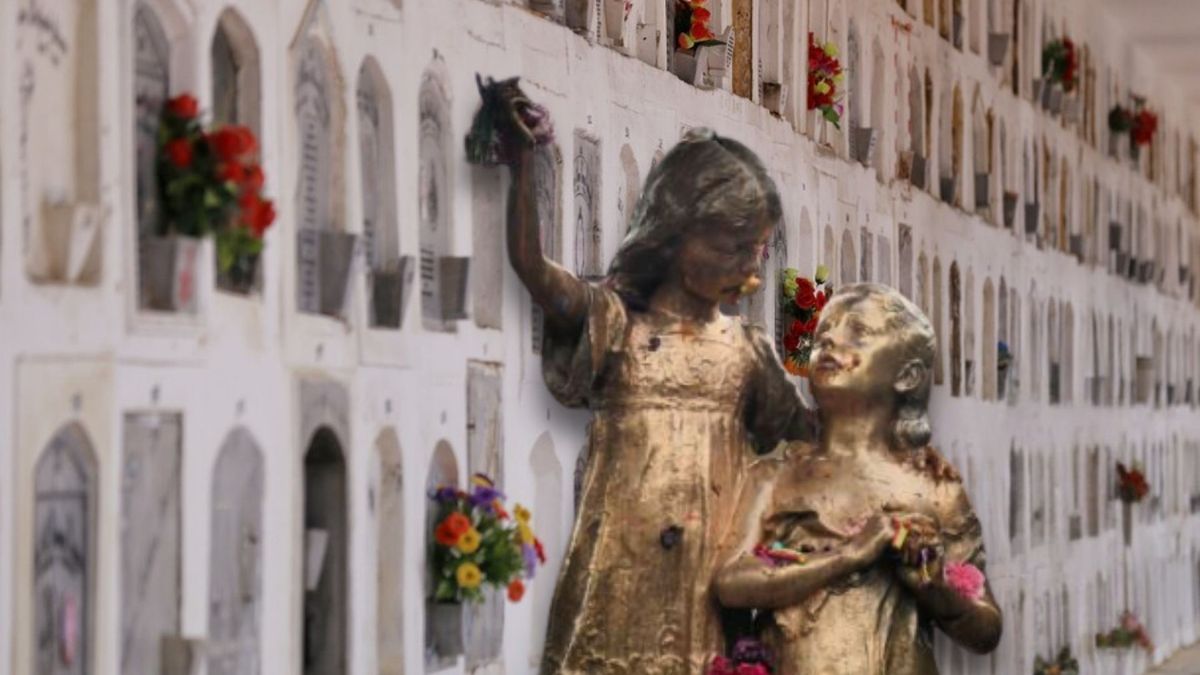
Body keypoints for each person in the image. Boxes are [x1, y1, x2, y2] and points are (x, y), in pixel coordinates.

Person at [483, 81, 815, 674]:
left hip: (709, 588)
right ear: (678, 228)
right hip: (622, 575)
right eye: (733, 247)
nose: (749, 270)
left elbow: (805, 444)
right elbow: (536, 274)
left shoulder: (746, 351)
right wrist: (523, 164)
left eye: (756, 251)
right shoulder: (617, 324)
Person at [714, 283, 1002, 675]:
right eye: (823, 332)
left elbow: (986, 630)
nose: (831, 338)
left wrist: (936, 589)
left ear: (907, 376)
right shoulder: (775, 475)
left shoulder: (933, 487)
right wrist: (849, 556)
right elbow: (731, 581)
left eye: (859, 332)